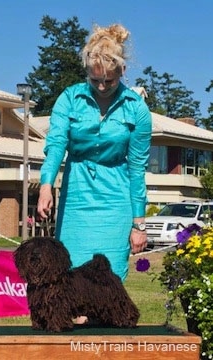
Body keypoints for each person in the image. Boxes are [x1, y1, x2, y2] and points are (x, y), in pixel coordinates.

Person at [37, 24, 152, 285]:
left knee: (109, 278)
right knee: (72, 271)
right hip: (76, 194)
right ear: (87, 73)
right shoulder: (69, 99)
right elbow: (55, 146)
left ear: (122, 71)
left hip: (116, 198)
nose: (102, 87)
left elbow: (137, 170)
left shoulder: (137, 109)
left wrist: (139, 225)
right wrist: (46, 186)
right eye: (95, 80)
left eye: (109, 80)